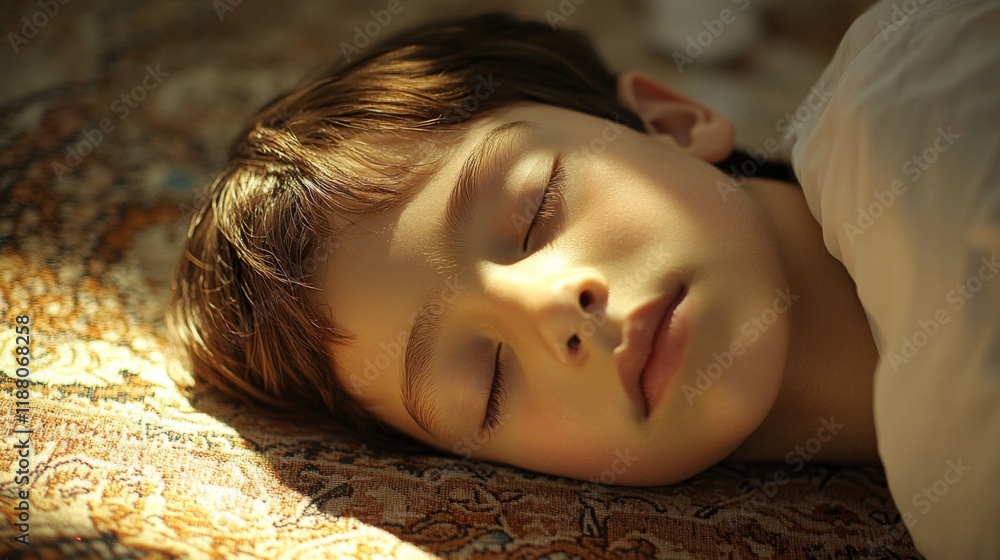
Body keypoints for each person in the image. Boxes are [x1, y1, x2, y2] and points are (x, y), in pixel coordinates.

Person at [165, 2, 999, 558]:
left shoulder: (923, 92)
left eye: (535, 212)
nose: (551, 310)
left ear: (673, 121)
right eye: (485, 383)